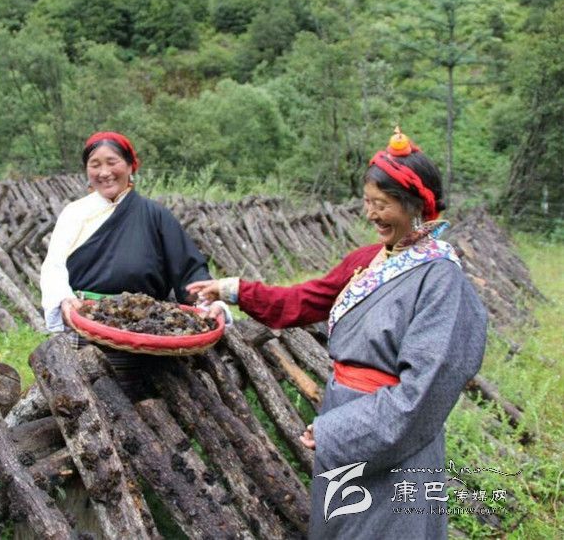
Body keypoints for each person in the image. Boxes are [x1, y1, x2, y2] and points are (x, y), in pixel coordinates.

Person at [188, 128, 487, 539]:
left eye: (382, 204)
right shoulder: (368, 261)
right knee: (342, 525)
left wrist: (340, 430)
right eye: (367, 202)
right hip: (343, 414)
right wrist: (232, 290)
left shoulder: (441, 280)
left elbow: (425, 392)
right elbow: (304, 300)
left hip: (391, 433)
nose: (371, 214)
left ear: (417, 206)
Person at [40, 130, 223, 389]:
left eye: (112, 162)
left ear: (130, 165)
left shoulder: (155, 215)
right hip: (84, 327)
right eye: (95, 164)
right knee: (85, 400)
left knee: (140, 400)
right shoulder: (74, 214)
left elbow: (189, 271)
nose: (104, 172)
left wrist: (209, 303)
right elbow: (54, 266)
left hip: (146, 333)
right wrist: (63, 300)